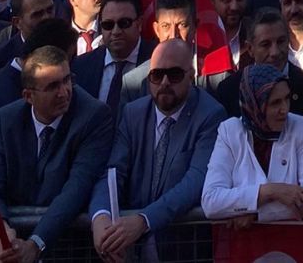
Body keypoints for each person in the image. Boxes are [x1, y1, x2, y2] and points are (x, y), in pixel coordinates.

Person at [0, 45, 114, 262]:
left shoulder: (93, 116)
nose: (64, 92)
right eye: (52, 86)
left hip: (71, 248)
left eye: (67, 80)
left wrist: (36, 243)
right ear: (28, 96)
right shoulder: (6, 120)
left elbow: (77, 188)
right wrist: (1, 232)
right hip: (17, 245)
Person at [90, 40, 224, 261]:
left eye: (174, 75)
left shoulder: (210, 115)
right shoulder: (132, 114)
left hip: (183, 250)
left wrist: (144, 220)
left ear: (191, 76)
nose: (164, 82)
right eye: (156, 75)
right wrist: (100, 217)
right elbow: (112, 172)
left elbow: (195, 181)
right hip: (132, 251)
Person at [201, 62, 303, 225]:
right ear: (255, 103)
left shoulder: (301, 127)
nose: (285, 109)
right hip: (242, 240)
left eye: (287, 99)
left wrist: (256, 214)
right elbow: (211, 202)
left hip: (290, 238)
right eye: (275, 103)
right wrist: (268, 192)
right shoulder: (229, 131)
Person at [72, 0, 147, 116]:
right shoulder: (80, 66)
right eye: (108, 25)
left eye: (124, 23)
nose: (116, 31)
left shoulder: (156, 63)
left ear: (139, 24)